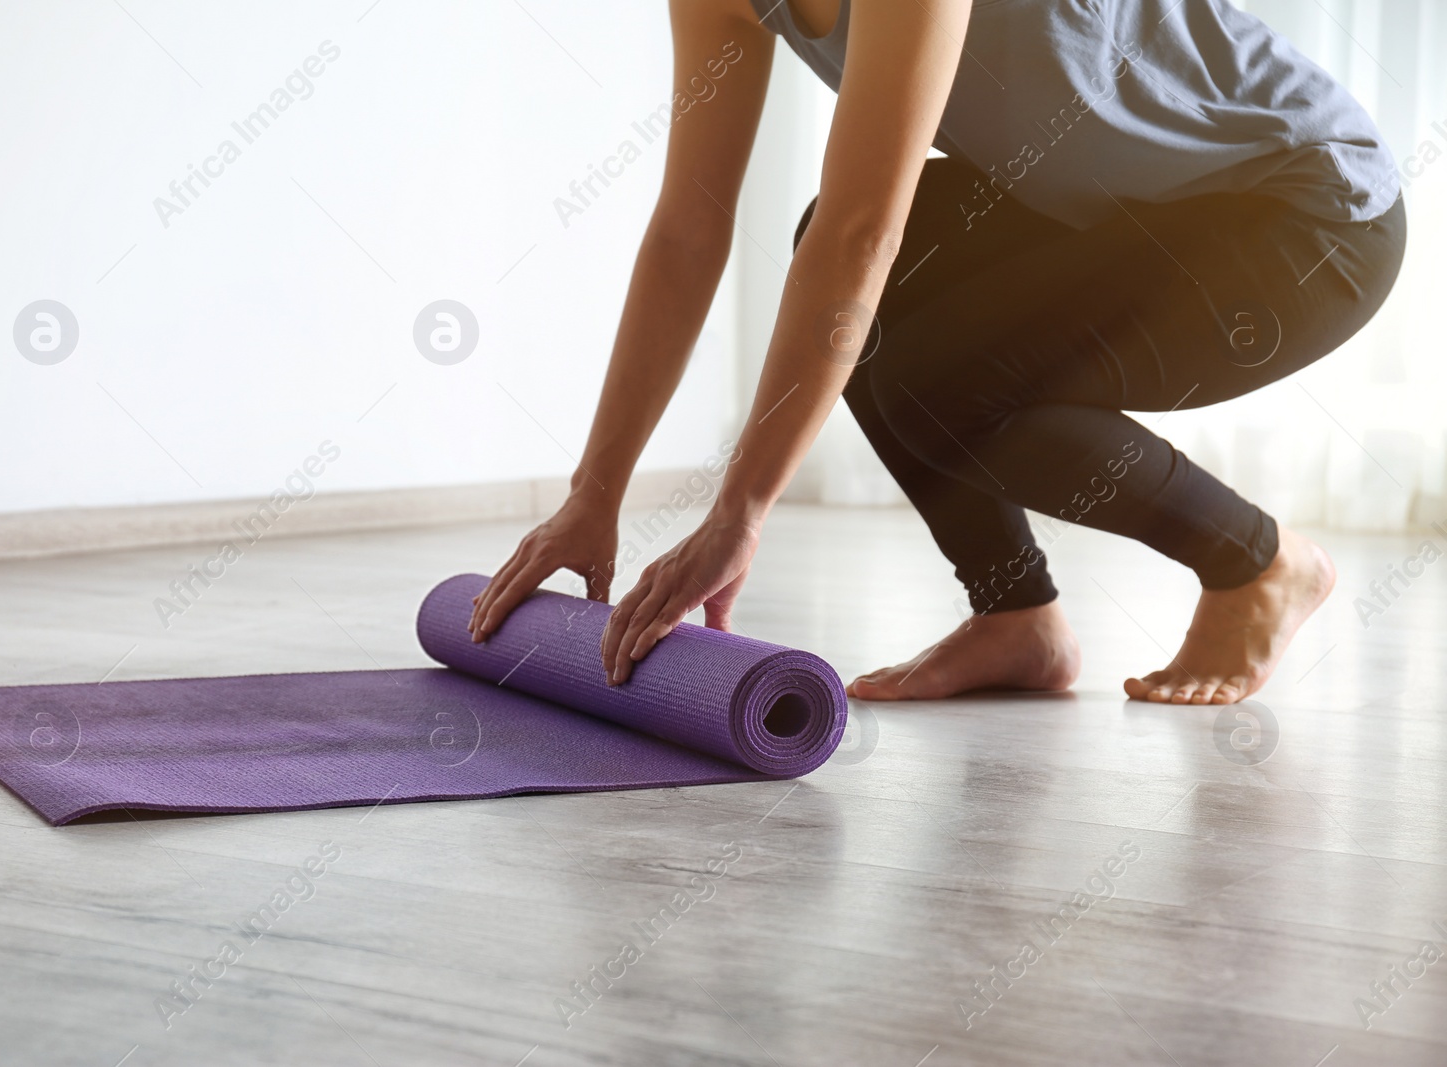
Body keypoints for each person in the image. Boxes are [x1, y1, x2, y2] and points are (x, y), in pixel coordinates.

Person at [468, 0, 1406, 705]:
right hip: (1120, 216)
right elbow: (688, 229)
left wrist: (740, 509)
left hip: (1306, 217)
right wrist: (595, 495)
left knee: (922, 348)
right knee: (869, 286)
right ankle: (1017, 618)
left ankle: (1260, 562)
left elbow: (863, 231)